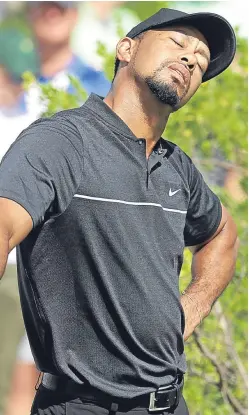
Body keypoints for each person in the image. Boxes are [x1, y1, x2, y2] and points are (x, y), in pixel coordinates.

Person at [0, 7, 239, 415]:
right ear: (126, 48)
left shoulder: (177, 166)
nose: (189, 59)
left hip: (167, 404)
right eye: (178, 43)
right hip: (79, 404)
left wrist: (187, 313)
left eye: (200, 62)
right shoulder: (61, 143)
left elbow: (223, 234)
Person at [0, 2, 110, 414]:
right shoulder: (9, 77)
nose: (51, 12)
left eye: (60, 5)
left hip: (66, 264)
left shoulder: (98, 87)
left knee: (40, 383)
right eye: (42, 5)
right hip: (9, 262)